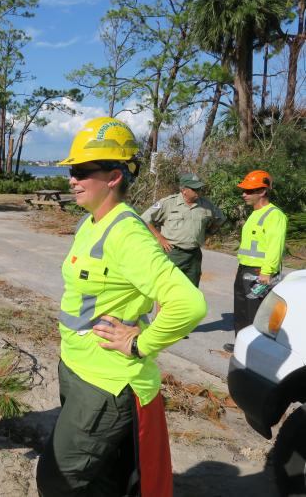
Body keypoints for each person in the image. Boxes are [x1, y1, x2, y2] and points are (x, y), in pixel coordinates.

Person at [36, 117, 207, 497]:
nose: (72, 179)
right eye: (70, 170)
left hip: (106, 384)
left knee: (56, 481)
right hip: (78, 370)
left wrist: (140, 343)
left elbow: (189, 304)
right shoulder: (91, 222)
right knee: (105, 479)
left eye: (81, 171)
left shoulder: (127, 233)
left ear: (113, 177)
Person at [224, 170, 287, 352]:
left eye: (249, 191)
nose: (244, 194)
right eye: (244, 190)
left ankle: (253, 350)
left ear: (262, 191)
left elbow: (275, 247)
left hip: (260, 272)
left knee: (255, 312)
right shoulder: (254, 214)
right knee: (242, 308)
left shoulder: (274, 215)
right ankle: (241, 345)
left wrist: (267, 272)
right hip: (245, 269)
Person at [141, 173, 225, 287]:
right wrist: (159, 238)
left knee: (191, 291)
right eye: (195, 189)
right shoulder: (168, 203)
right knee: (166, 288)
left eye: (199, 188)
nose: (198, 192)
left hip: (194, 255)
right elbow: (145, 219)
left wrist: (209, 233)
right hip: (173, 253)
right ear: (184, 190)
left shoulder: (206, 205)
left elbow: (220, 219)